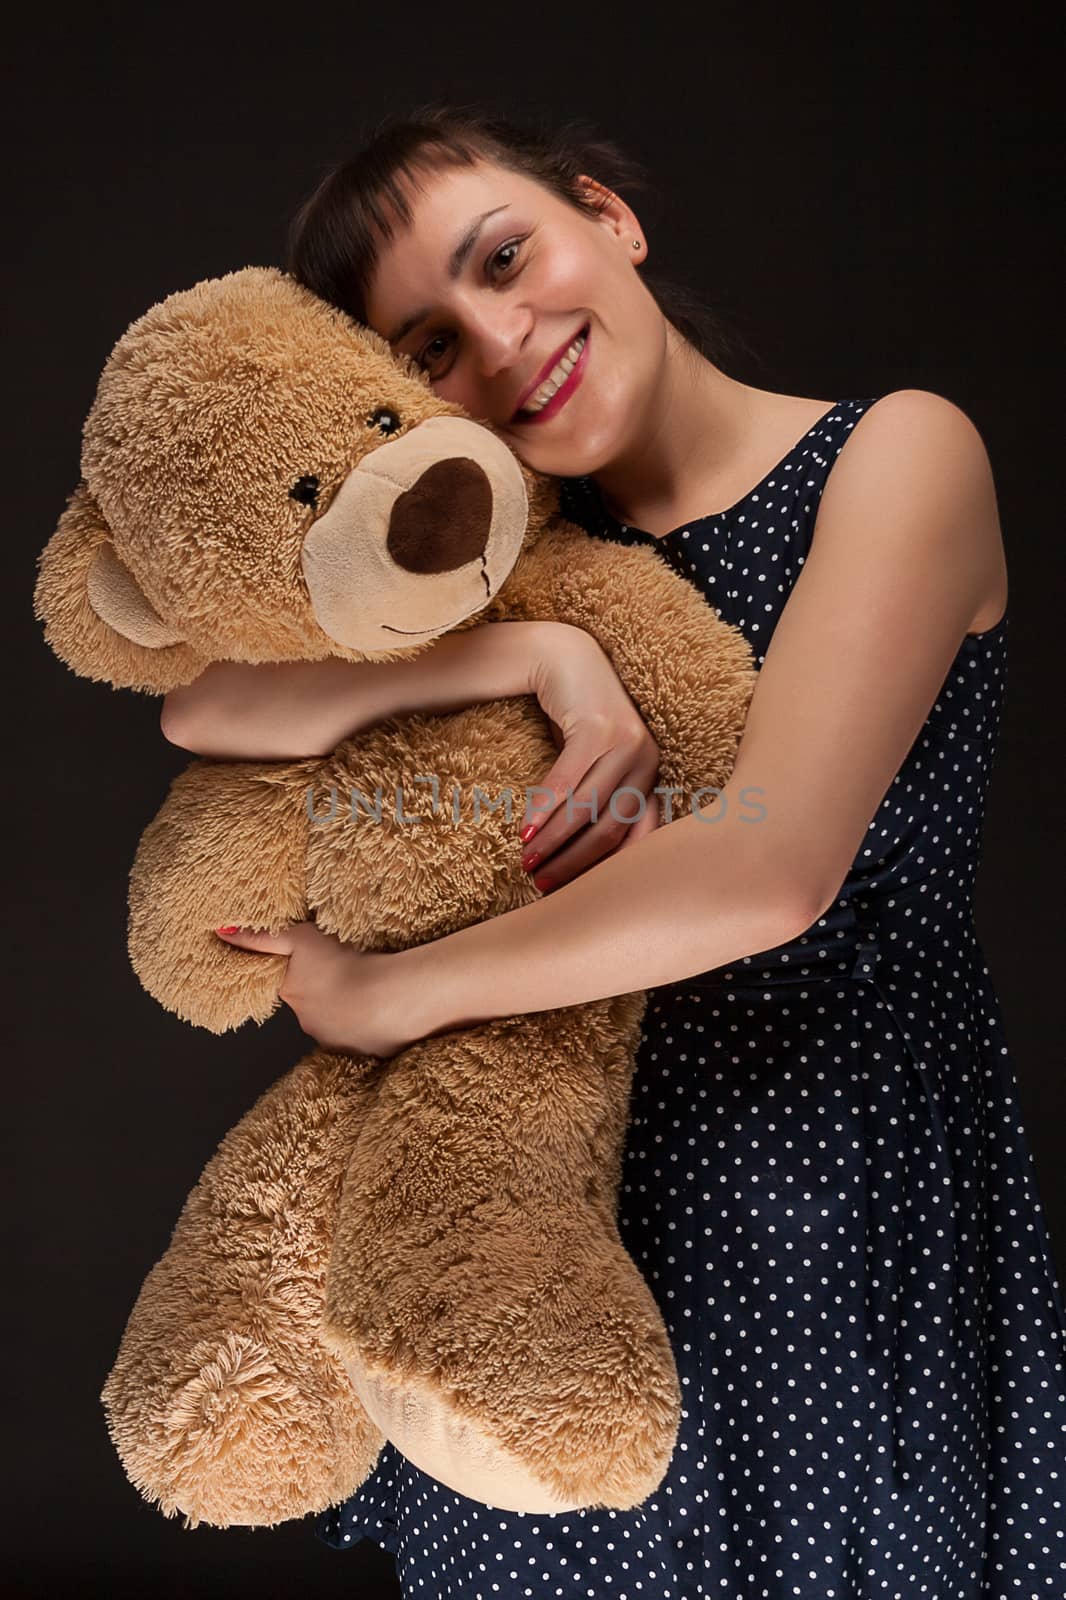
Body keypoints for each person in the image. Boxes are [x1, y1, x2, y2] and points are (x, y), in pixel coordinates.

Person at [163, 107, 1066, 1597]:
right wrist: (533, 648)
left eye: (506, 258)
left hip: (827, 1201)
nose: (503, 343)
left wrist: (400, 995)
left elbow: (764, 872)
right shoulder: (489, 552)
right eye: (432, 347)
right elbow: (207, 700)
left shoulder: (893, 456)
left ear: (609, 216)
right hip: (545, 1222)